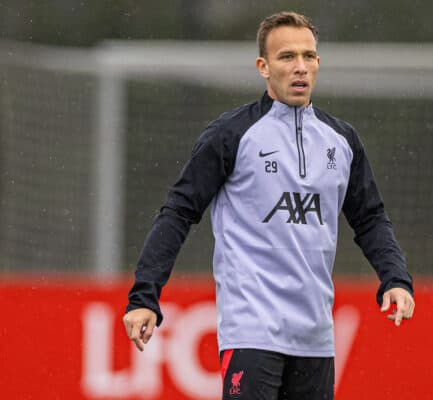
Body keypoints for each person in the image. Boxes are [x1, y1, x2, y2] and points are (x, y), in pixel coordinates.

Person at [123, 11, 415, 400]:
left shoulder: (342, 141)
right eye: (287, 57)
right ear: (263, 66)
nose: (300, 67)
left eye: (308, 56)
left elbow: (370, 217)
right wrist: (145, 296)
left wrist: (395, 278)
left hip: (315, 338)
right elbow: (178, 212)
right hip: (252, 331)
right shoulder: (231, 135)